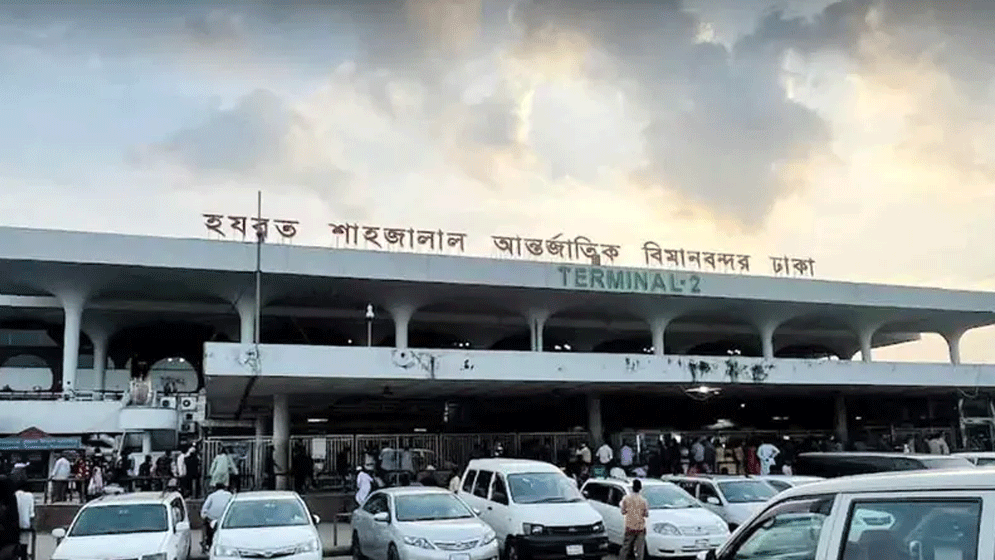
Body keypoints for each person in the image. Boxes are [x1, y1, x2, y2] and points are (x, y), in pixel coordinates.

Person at [620, 479, 649, 560]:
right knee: (640, 549)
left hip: (629, 526)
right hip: (640, 528)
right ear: (640, 488)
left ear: (632, 488)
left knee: (626, 547)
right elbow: (646, 514)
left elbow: (623, 511)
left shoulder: (626, 498)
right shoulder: (643, 501)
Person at [200, 484, 232, 550]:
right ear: (225, 488)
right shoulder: (229, 495)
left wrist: (204, 516)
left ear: (215, 489)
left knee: (207, 528)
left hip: (212, 519)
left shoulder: (211, 496)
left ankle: (207, 542)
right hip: (227, 519)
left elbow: (205, 508)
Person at [14, 479, 32, 560]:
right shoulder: (29, 496)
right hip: (25, 524)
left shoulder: (12, 496)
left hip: (13, 525)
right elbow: (31, 513)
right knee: (24, 546)